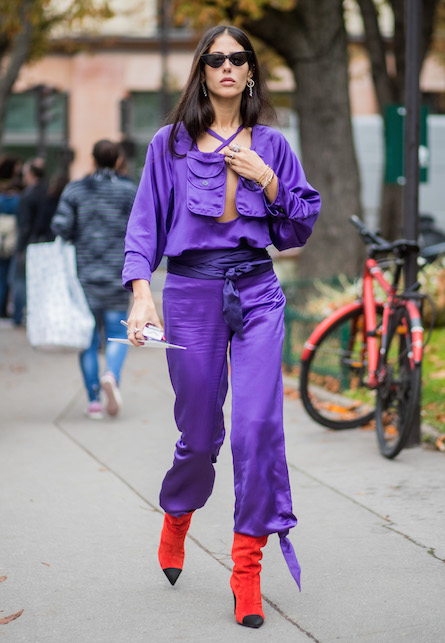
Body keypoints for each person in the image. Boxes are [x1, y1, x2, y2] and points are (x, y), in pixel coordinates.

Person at [122, 26, 321, 628]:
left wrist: (267, 178)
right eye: (216, 59)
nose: (227, 66)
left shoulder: (274, 144)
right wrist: (141, 296)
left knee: (257, 428)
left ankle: (247, 569)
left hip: (258, 291)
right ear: (202, 71)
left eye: (238, 58)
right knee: (200, 434)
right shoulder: (169, 144)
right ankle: (178, 515)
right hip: (190, 294)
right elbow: (145, 224)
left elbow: (298, 226)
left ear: (251, 71)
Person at [52, 140, 137, 419]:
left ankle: (93, 402)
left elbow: (61, 226)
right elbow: (140, 227)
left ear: (92, 159)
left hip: (83, 275)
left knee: (87, 339)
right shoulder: (128, 191)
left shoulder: (75, 190)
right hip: (117, 272)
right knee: (117, 333)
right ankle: (111, 375)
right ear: (117, 161)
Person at [11, 158, 47, 326]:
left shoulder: (28, 195)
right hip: (43, 243)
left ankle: (18, 317)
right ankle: (33, 316)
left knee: (19, 280)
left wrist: (20, 248)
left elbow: (24, 225)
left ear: (31, 174)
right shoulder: (46, 191)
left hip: (29, 243)